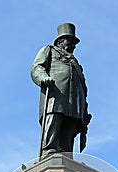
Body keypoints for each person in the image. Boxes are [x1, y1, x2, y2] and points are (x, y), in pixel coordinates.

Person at [31, 23, 91, 160]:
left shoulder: (75, 62)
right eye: (70, 41)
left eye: (75, 43)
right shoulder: (49, 50)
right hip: (56, 93)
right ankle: (49, 149)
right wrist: (43, 78)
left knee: (71, 124)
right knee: (54, 118)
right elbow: (37, 67)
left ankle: (67, 154)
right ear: (60, 41)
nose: (74, 45)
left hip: (75, 99)